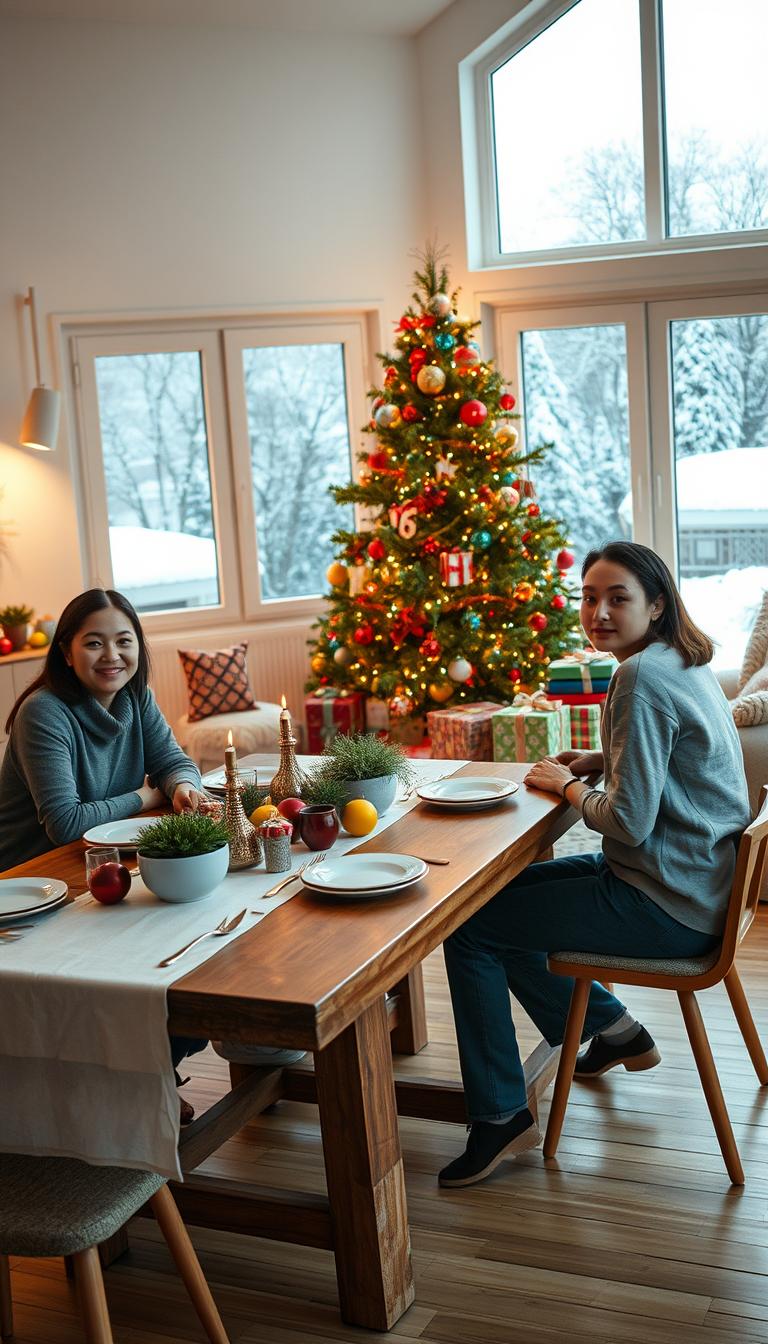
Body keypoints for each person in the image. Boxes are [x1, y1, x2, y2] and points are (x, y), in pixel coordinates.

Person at [439, 541, 750, 1188]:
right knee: (492, 908)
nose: (598, 612)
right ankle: (609, 1028)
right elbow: (674, 759)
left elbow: (627, 821)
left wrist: (566, 787)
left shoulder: (640, 677)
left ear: (657, 604)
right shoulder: (684, 661)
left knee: (470, 926)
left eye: (617, 598)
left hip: (667, 904)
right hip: (696, 886)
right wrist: (600, 760)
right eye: (589, 598)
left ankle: (499, 1116)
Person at [0, 588, 213, 1119]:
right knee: (153, 973)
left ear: (139, 647)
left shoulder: (136, 697)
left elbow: (172, 759)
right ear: (66, 651)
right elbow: (66, 825)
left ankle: (144, 1077)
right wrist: (147, 794)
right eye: (94, 643)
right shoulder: (43, 713)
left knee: (196, 954)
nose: (111, 655)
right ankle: (130, 1088)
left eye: (124, 641)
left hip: (99, 873)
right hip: (32, 892)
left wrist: (182, 786)